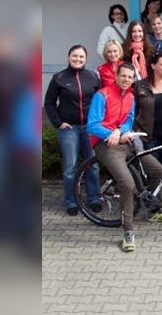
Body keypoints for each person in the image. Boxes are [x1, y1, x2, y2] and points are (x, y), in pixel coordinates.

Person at [87, 63, 162, 252]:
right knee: (127, 184)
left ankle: (154, 210)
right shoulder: (101, 95)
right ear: (116, 76)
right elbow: (92, 125)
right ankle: (127, 230)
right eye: (123, 76)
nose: (126, 80)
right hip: (106, 145)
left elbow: (128, 121)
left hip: (124, 141)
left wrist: (120, 131)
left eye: (130, 77)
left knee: (158, 170)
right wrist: (111, 133)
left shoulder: (130, 97)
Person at [44, 45, 101, 216]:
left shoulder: (92, 77)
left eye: (81, 56)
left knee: (93, 165)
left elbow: (101, 101)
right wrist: (58, 122)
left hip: (90, 128)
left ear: (86, 58)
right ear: (69, 57)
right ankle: (71, 200)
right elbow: (49, 102)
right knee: (70, 167)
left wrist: (98, 122)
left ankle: (94, 199)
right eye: (74, 56)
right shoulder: (59, 78)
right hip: (69, 128)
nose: (78, 59)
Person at [133, 52, 162, 209]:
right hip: (149, 134)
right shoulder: (141, 85)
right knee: (156, 168)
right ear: (153, 66)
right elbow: (133, 110)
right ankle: (156, 199)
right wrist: (135, 130)